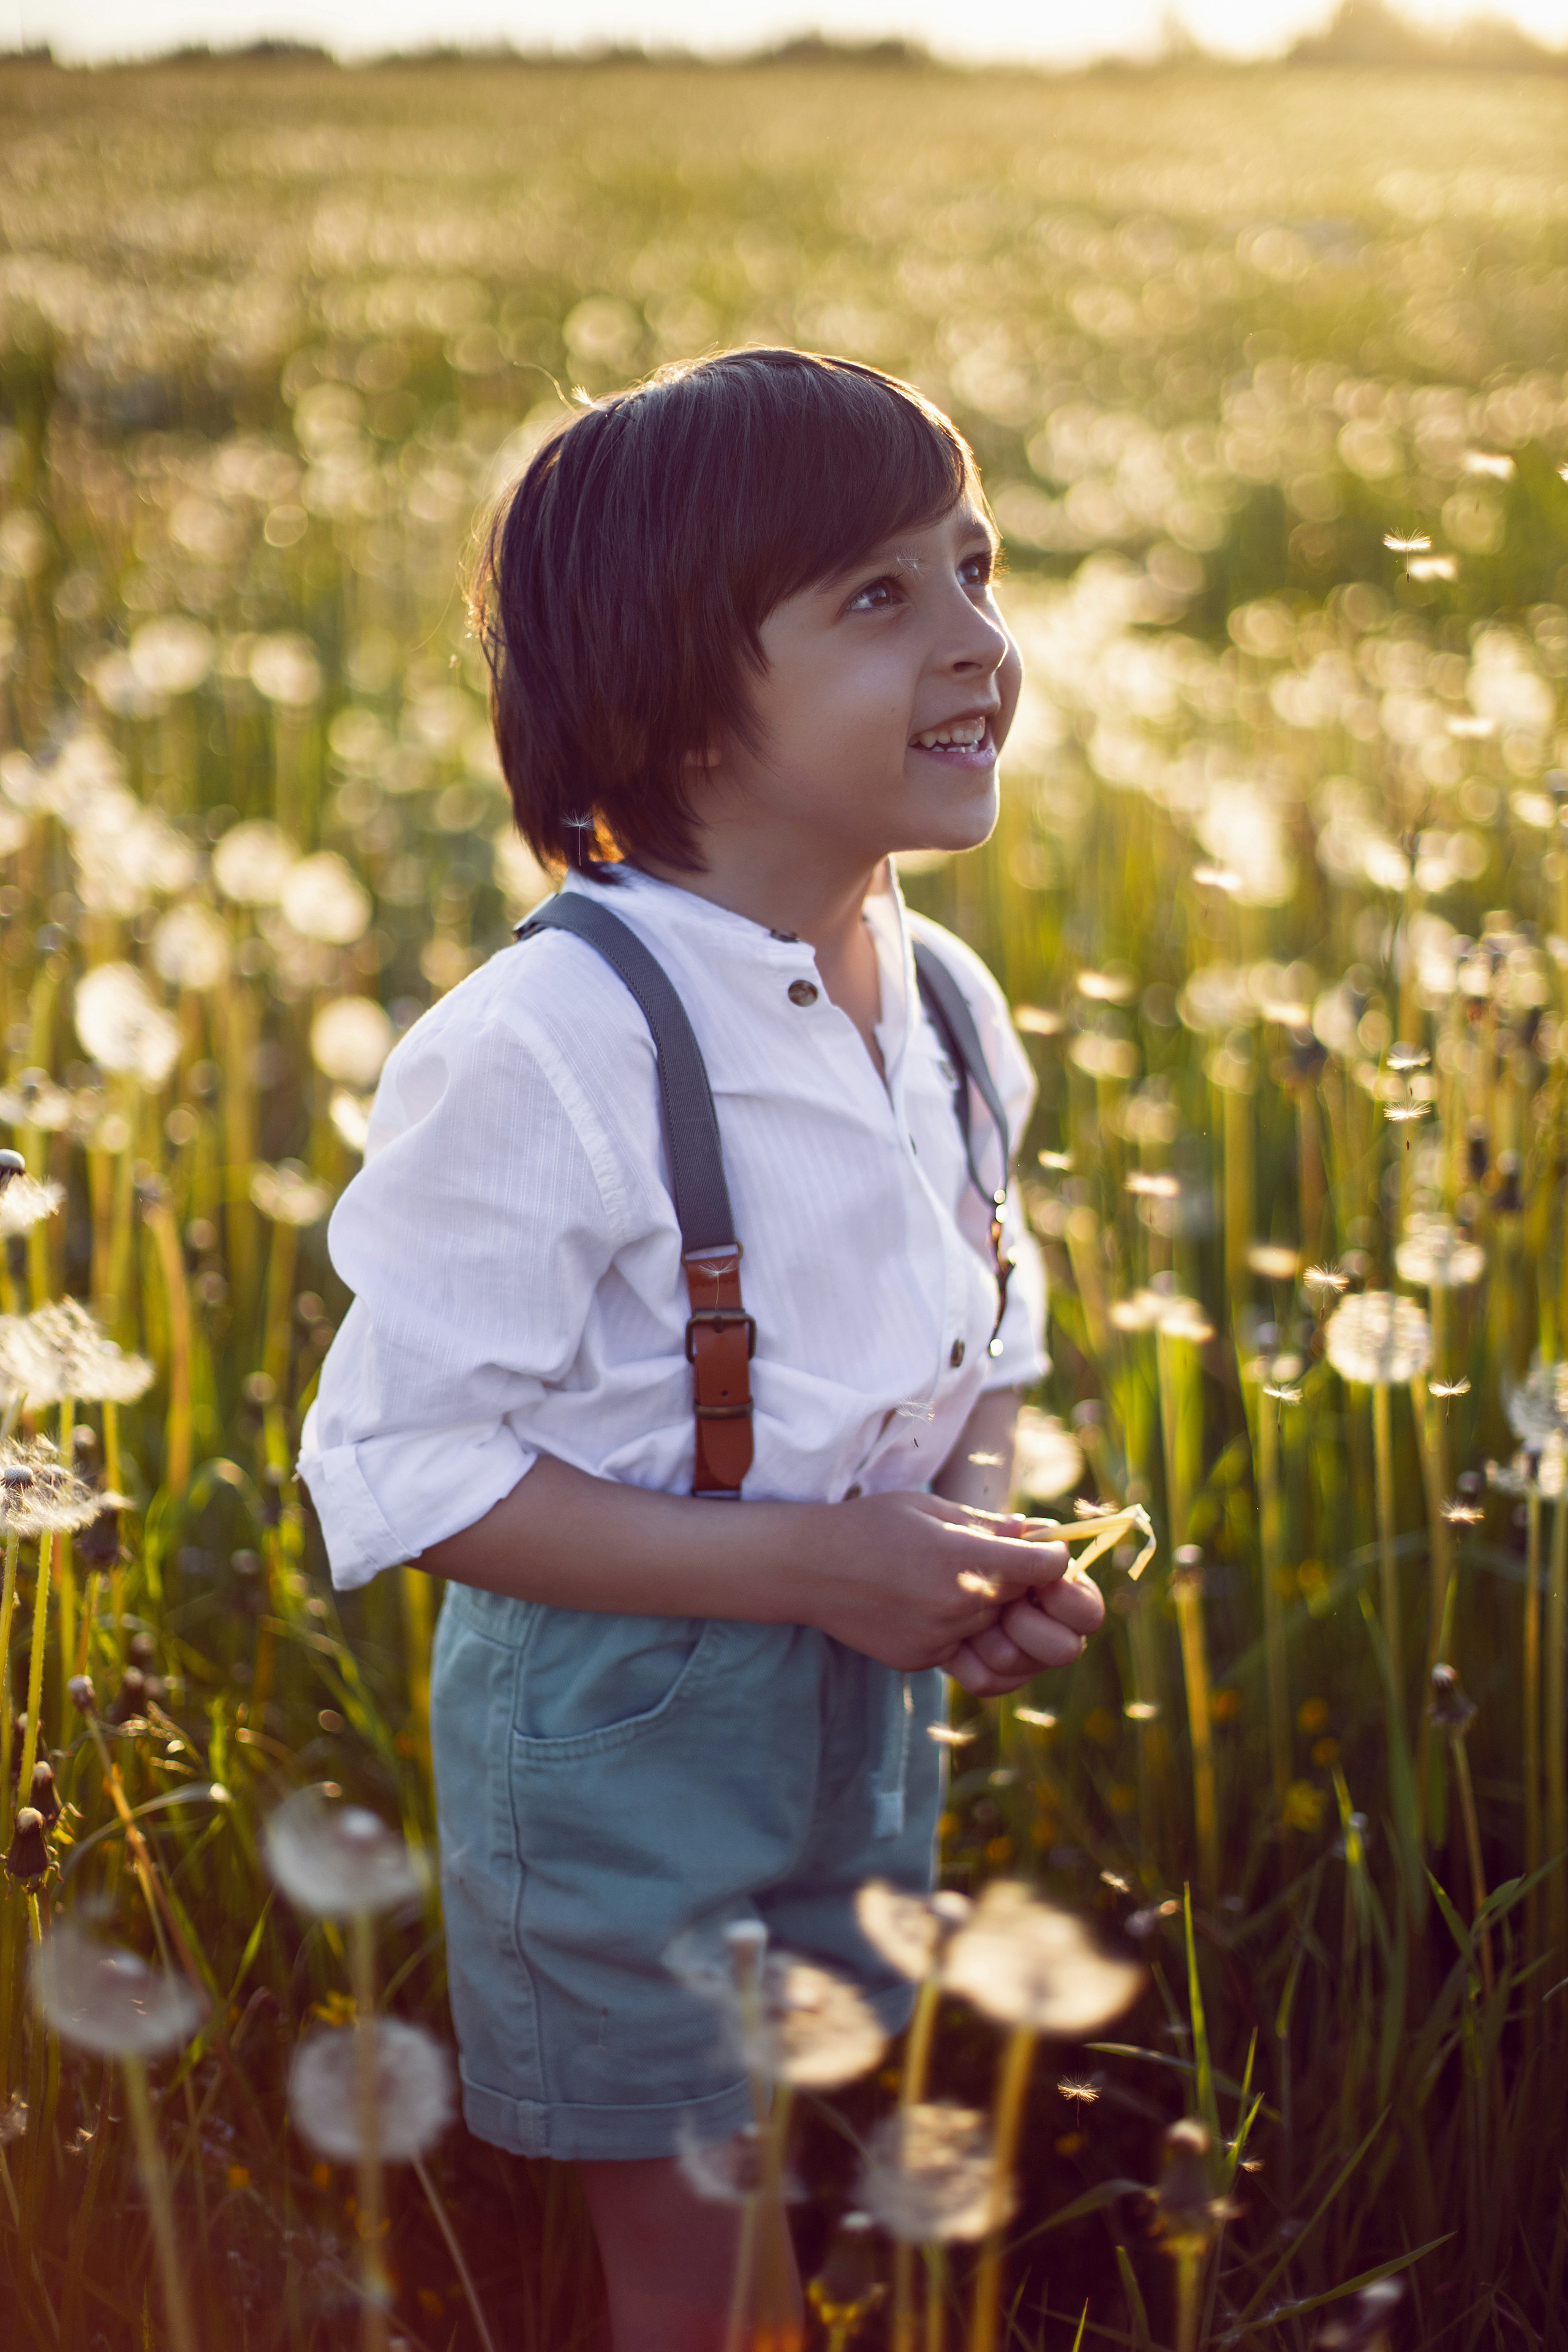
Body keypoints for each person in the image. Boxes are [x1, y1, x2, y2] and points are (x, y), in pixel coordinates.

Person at [298, 347, 1106, 2350]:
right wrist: (823, 1566)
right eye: (880, 597)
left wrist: (975, 1541)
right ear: (678, 698)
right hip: (613, 1731)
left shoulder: (954, 1011)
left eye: (976, 570)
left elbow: (987, 1337)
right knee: (692, 2245)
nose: (981, 642)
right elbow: (411, 1468)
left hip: (861, 1705)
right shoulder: (546, 1044)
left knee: (800, 2158)